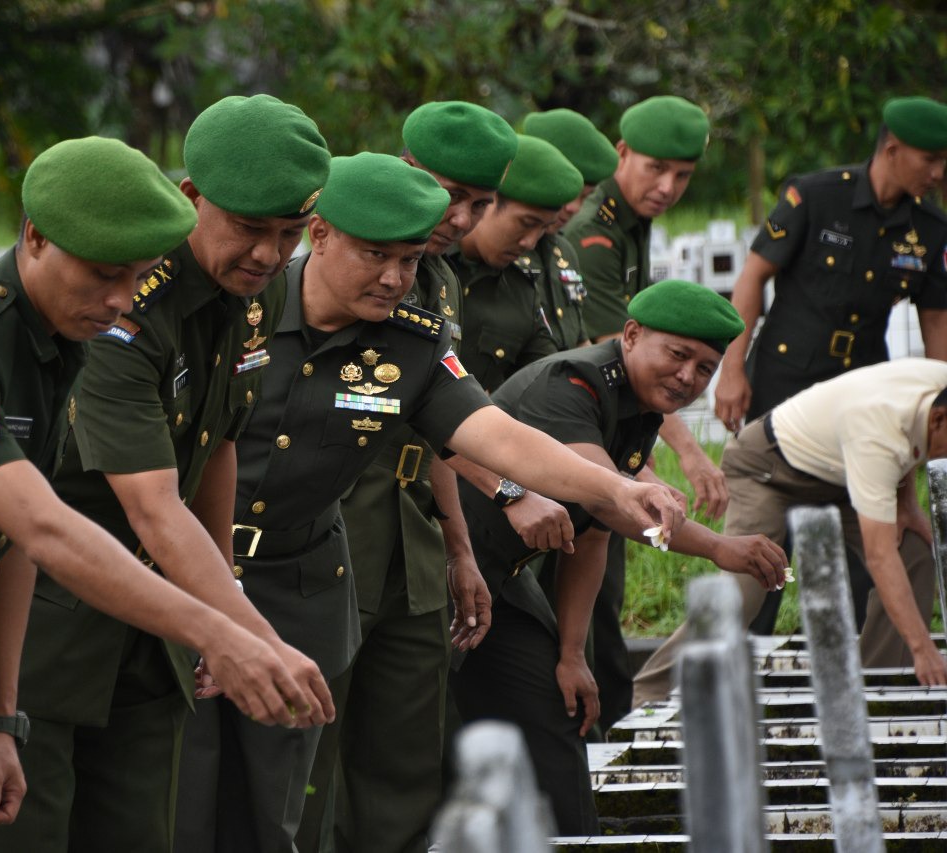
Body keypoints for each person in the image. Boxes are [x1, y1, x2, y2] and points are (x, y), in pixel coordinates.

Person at [181, 150, 688, 853]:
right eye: (376, 255)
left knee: (277, 807)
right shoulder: (237, 306)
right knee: (179, 800)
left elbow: (495, 435)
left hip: (301, 586)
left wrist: (617, 489)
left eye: (411, 259)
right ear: (319, 234)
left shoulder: (412, 345)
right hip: (191, 569)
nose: (395, 278)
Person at [0, 134, 327, 853]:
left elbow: (16, 545)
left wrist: (1, 718)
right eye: (104, 276)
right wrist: (225, 632)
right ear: (35, 238)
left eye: (133, 278)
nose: (118, 300)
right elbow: (44, 528)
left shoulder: (61, 328)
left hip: (50, 640)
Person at [448, 279, 786, 834]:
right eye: (677, 355)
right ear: (630, 335)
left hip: (500, 581)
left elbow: (591, 537)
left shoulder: (636, 407)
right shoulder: (572, 384)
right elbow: (609, 502)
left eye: (705, 368)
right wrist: (720, 547)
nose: (688, 376)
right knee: (429, 738)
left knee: (557, 709)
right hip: (440, 568)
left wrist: (572, 654)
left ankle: (575, 840)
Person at [297, 100, 516, 853]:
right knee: (312, 759)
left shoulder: (435, 278)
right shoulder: (339, 260)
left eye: (480, 204)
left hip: (411, 540)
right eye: (452, 195)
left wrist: (458, 548)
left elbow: (438, 425)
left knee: (404, 761)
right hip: (332, 536)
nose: (461, 218)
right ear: (410, 168)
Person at [709, 95, 947, 637]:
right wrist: (733, 369)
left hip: (862, 397)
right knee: (765, 538)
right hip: (782, 383)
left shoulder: (930, 229)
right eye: (930, 159)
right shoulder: (816, 195)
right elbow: (752, 279)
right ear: (893, 149)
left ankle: (869, 664)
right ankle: (743, 653)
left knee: (874, 539)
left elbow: (937, 324)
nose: (938, 173)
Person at [635, 359, 947, 706]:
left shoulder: (937, 383)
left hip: (842, 472)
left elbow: (908, 439)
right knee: (744, 590)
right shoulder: (877, 432)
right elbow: (880, 554)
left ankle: (877, 690)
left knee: (913, 553)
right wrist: (923, 646)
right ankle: (651, 695)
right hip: (767, 467)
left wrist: (908, 505)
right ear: (938, 419)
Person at [563, 94, 725, 729]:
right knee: (587, 609)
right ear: (622, 153)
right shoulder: (595, 235)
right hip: (569, 435)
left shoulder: (632, 222)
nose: (667, 187)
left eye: (682, 175)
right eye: (655, 168)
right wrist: (687, 453)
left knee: (604, 597)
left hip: (607, 436)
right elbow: (626, 357)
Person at [454, 134, 586, 391]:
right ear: (488, 201)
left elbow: (548, 379)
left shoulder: (521, 290)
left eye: (543, 229)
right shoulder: (418, 261)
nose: (530, 243)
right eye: (526, 223)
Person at [516, 108, 621, 351]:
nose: (574, 207)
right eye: (564, 190)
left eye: (584, 196)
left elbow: (580, 344)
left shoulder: (563, 252)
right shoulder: (503, 248)